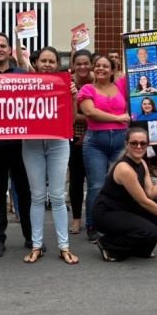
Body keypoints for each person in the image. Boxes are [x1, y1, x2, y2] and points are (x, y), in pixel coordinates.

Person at [22, 46, 79, 265]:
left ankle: (64, 247)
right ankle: (37, 246)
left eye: (51, 61)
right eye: (43, 61)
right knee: (37, 196)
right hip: (32, 144)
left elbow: (72, 121)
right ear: (36, 63)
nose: (47, 64)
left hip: (58, 144)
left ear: (57, 64)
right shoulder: (26, 85)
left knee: (57, 196)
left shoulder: (64, 85)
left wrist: (73, 98)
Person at [93, 127, 157, 261]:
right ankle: (108, 244)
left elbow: (151, 194)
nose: (138, 146)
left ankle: (142, 250)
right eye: (134, 143)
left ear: (147, 145)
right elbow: (143, 201)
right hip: (106, 213)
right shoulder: (125, 169)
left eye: (143, 143)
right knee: (149, 231)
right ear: (126, 145)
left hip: (124, 208)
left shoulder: (142, 163)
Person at [0, 33, 32, 258]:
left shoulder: (22, 75)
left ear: (10, 50)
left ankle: (31, 236)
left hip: (21, 145)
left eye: (3, 45)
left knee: (24, 192)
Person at [78, 55, 130, 243]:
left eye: (105, 66)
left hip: (119, 142)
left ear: (112, 69)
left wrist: (137, 36)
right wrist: (117, 118)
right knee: (97, 186)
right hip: (95, 144)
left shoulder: (121, 86)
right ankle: (92, 225)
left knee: (118, 186)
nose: (101, 69)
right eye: (97, 65)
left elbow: (135, 61)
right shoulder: (87, 89)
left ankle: (113, 223)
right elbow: (90, 112)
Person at [68, 49, 93, 235]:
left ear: (91, 64)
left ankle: (94, 219)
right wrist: (90, 116)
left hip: (96, 138)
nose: (82, 67)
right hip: (74, 138)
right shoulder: (67, 83)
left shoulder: (98, 82)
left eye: (86, 63)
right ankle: (76, 219)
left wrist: (84, 116)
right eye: (79, 64)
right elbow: (68, 115)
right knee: (76, 180)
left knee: (95, 182)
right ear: (73, 65)